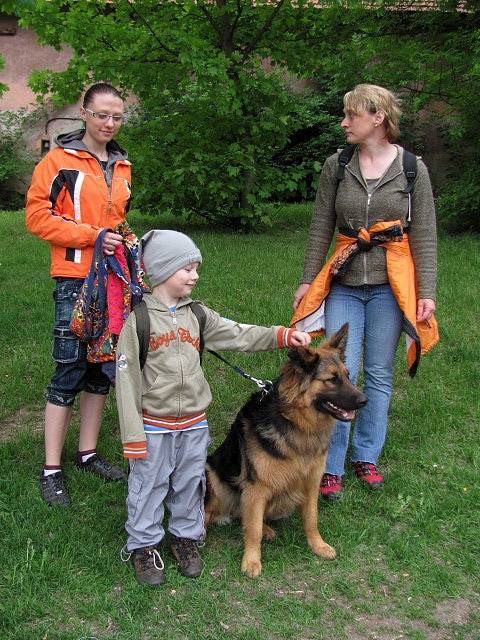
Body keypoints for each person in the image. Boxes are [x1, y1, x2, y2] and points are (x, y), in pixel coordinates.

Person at [116, 230, 311, 586]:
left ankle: (185, 536)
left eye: (196, 269)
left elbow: (239, 334)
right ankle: (144, 545)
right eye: (187, 269)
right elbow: (126, 383)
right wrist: (132, 435)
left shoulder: (199, 315)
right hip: (153, 425)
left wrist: (280, 335)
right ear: (161, 271)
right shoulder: (139, 321)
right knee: (149, 484)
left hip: (193, 423)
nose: (195, 276)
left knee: (190, 483)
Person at [292, 84, 438, 501]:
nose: (343, 123)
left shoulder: (412, 169)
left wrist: (426, 290)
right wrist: (307, 279)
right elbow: (321, 224)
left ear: (377, 117)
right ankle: (331, 465)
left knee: (378, 372)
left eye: (350, 115)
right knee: (341, 370)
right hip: (344, 283)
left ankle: (366, 456)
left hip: (392, 286)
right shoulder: (336, 165)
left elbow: (424, 232)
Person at [26, 82, 131, 507]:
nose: (109, 123)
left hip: (112, 279)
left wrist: (125, 239)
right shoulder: (57, 161)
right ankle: (51, 468)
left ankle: (87, 453)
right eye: (102, 114)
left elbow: (118, 218)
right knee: (68, 368)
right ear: (85, 113)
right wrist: (94, 236)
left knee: (99, 367)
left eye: (117, 116)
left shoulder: (122, 165)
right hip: (74, 278)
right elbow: (36, 217)